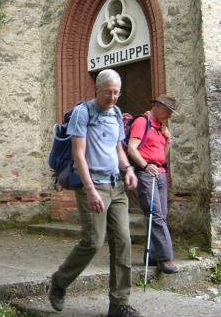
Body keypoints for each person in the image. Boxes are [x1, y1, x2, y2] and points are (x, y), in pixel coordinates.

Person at [49, 69, 141, 317]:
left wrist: (128, 169)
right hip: (93, 185)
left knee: (123, 241)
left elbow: (118, 147)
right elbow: (78, 154)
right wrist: (90, 190)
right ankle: (59, 282)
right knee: (93, 241)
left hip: (116, 186)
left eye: (116, 92)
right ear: (97, 89)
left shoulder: (117, 112)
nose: (112, 97)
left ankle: (119, 303)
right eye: (108, 92)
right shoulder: (83, 112)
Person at [127, 95, 178, 274]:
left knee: (160, 216)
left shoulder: (160, 127)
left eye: (171, 113)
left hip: (161, 173)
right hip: (147, 174)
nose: (169, 116)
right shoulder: (143, 121)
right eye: (168, 111)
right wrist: (145, 166)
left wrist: (168, 140)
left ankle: (153, 256)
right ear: (157, 106)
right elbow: (132, 148)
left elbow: (162, 156)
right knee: (155, 214)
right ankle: (165, 258)